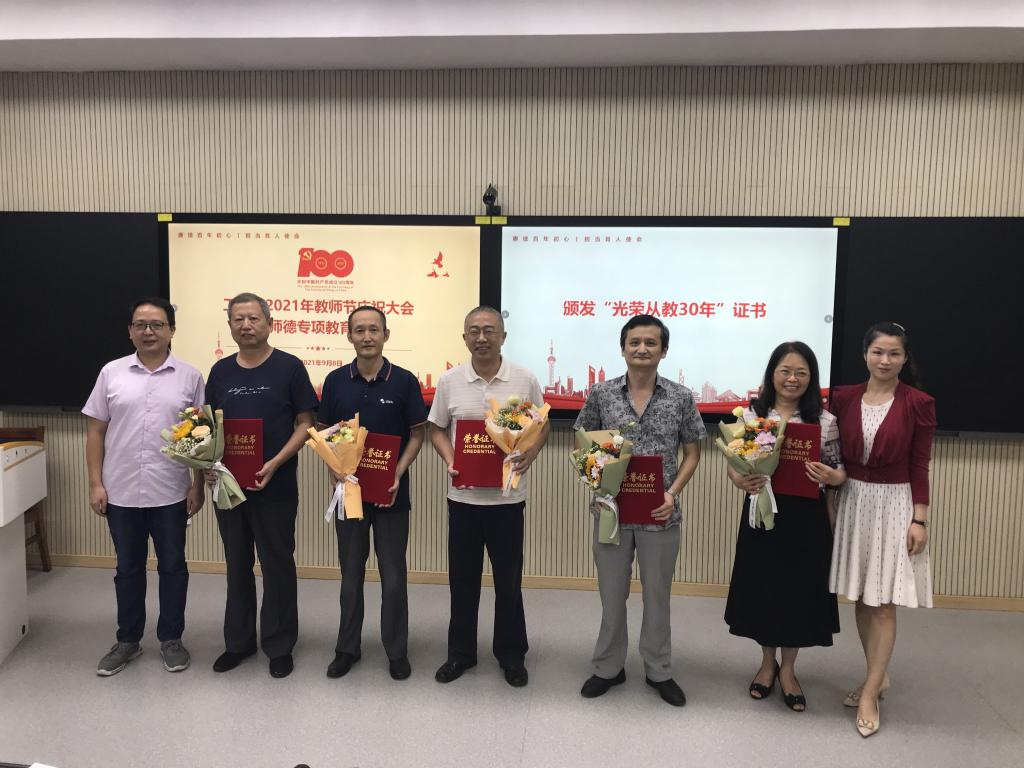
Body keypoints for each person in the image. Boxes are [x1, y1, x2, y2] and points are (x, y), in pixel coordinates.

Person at [574, 314, 704, 707]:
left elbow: (693, 452)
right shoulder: (602, 394)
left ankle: (659, 670)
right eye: (634, 342)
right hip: (611, 512)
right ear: (623, 348)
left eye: (651, 343)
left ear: (664, 350)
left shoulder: (680, 396)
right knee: (612, 596)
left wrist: (673, 493)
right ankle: (608, 668)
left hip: (660, 514)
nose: (642, 349)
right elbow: (582, 441)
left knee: (657, 597)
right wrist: (599, 480)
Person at [426, 306, 550, 687]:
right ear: (465, 337)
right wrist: (451, 459)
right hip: (463, 501)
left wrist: (531, 453)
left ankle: (511, 655)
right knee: (462, 582)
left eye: (490, 330)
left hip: (507, 502)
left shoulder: (524, 379)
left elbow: (542, 424)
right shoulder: (450, 380)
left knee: (508, 582)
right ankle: (460, 654)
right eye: (474, 331)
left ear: (503, 337)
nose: (482, 338)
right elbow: (436, 428)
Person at [83, 297, 205, 676]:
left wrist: (197, 485)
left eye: (157, 325)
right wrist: (95, 484)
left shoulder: (190, 377)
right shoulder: (111, 373)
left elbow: (200, 437)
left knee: (173, 568)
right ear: (130, 331)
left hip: (171, 491)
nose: (148, 331)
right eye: (141, 325)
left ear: (171, 330)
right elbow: (96, 431)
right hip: (120, 491)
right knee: (128, 569)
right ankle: (128, 641)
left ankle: (171, 639)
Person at [723, 341, 844, 711]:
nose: (793, 379)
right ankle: (766, 664)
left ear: (811, 378)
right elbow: (735, 465)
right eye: (785, 371)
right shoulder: (753, 415)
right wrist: (739, 479)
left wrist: (831, 476)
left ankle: (788, 669)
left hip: (807, 518)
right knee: (765, 588)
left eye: (801, 373)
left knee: (798, 593)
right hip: (763, 511)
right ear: (772, 374)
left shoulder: (825, 421)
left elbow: (840, 470)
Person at [829, 322, 936, 737]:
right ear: (865, 354)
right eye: (878, 352)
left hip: (895, 503)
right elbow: (833, 452)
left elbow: (920, 464)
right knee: (862, 594)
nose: (885, 360)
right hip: (852, 500)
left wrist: (919, 518)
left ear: (905, 358)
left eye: (894, 353)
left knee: (885, 602)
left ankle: (870, 692)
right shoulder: (843, 397)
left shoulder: (918, 403)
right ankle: (878, 674)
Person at [204, 292, 318, 679]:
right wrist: (207, 465)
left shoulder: (289, 367)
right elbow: (207, 428)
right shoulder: (220, 371)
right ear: (230, 326)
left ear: (270, 323)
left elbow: (306, 423)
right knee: (236, 564)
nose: (246, 325)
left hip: (275, 485)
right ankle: (238, 642)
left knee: (277, 564)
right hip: (228, 486)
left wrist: (276, 461)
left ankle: (279, 644)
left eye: (253, 318)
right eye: (238, 319)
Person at [317, 305, 427, 681]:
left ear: (385, 335)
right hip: (349, 492)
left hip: (391, 493)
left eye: (374, 330)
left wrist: (397, 472)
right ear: (349, 335)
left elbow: (417, 434)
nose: (367, 336)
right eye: (359, 330)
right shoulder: (335, 381)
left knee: (393, 577)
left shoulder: (404, 381)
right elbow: (324, 434)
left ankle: (396, 650)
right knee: (350, 575)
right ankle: (347, 648)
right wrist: (332, 467)